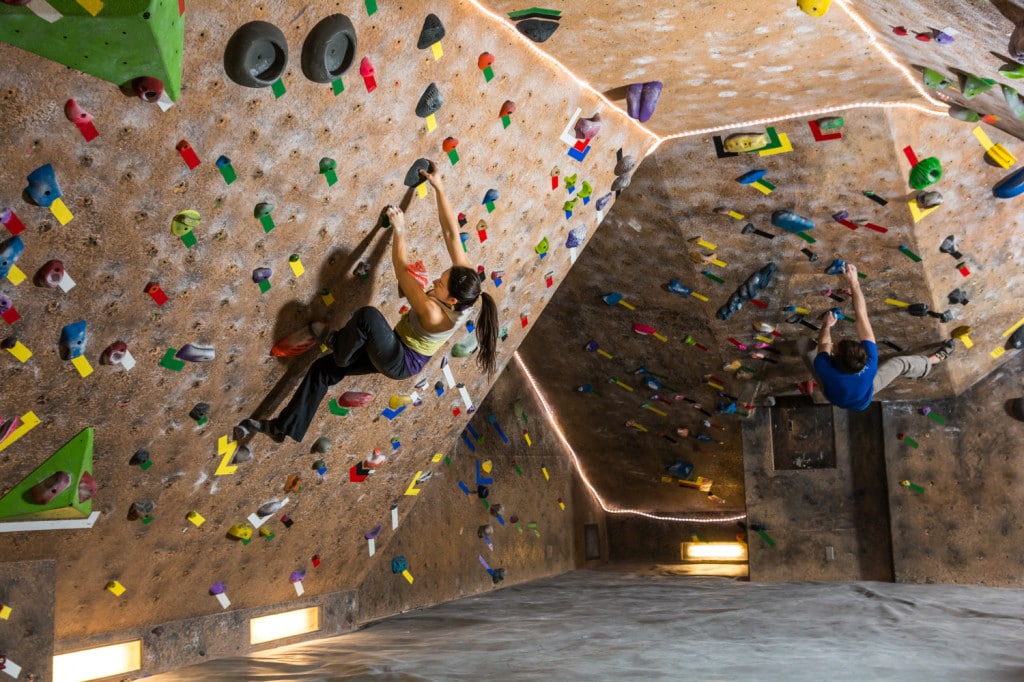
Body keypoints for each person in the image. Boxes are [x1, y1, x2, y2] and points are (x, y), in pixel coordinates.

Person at [236, 164, 498, 443]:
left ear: (452, 301)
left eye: (440, 285)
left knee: (368, 317)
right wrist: (439, 187)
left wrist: (399, 229)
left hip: (399, 360)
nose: (435, 281)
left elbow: (401, 270)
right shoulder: (467, 283)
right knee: (322, 370)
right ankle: (283, 428)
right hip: (395, 345)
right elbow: (451, 234)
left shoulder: (435, 314)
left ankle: (337, 345)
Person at [812, 262, 955, 411]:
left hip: (843, 397)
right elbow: (862, 316)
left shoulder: (824, 366)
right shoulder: (870, 359)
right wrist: (854, 282)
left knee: (806, 346)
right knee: (898, 364)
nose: (834, 345)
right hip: (863, 395)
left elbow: (823, 345)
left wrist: (826, 325)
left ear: (834, 357)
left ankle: (932, 361)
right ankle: (932, 360)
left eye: (835, 347)